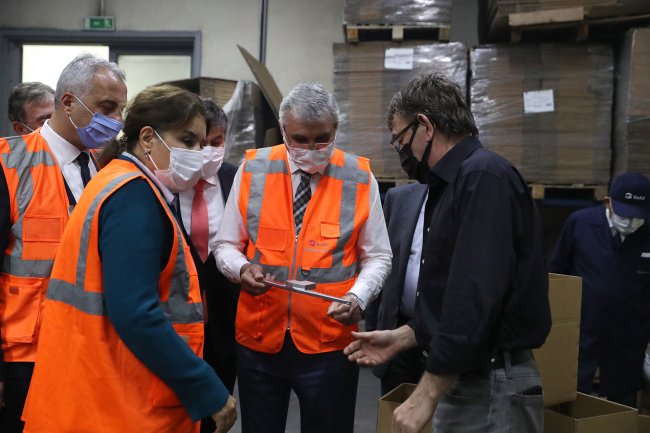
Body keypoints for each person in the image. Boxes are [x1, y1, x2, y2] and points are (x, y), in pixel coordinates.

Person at [21, 84, 237, 433]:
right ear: (148, 138)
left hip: (94, 385)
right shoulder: (134, 198)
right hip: (120, 400)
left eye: (201, 144)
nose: (198, 154)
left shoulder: (118, 179)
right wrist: (205, 386)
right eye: (187, 141)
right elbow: (136, 312)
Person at [344, 72, 552, 433]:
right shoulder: (453, 186)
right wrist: (406, 335)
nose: (402, 153)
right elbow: (449, 293)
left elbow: (472, 296)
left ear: (425, 126)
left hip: (489, 385)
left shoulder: (484, 177)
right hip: (470, 379)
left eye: (400, 140)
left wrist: (425, 395)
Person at [214, 82, 392, 433]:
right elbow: (225, 245)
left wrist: (358, 296)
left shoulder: (359, 177)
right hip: (260, 338)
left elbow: (378, 256)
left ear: (336, 129)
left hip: (329, 342)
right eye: (299, 139)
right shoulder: (253, 169)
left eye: (322, 139)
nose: (311, 149)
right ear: (283, 131)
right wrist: (242, 268)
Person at [0, 53, 127, 433]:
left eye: (121, 109)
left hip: (92, 349)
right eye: (108, 107)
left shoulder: (106, 166)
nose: (117, 120)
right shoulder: (8, 163)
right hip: (25, 356)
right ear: (68, 102)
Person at [549, 172, 650, 407]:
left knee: (623, 399)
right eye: (625, 215)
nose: (630, 222)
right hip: (582, 329)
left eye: (637, 216)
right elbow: (556, 271)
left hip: (628, 334)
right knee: (571, 394)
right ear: (608, 202)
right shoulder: (580, 223)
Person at [177, 99, 240, 433]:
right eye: (202, 144)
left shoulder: (236, 179)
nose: (209, 151)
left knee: (220, 393)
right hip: (179, 310)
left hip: (225, 310)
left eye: (217, 142)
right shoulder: (167, 181)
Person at [365, 181, 428, 395]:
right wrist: (373, 328)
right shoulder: (399, 198)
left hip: (442, 336)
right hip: (396, 331)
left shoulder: (465, 200)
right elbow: (380, 262)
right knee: (395, 408)